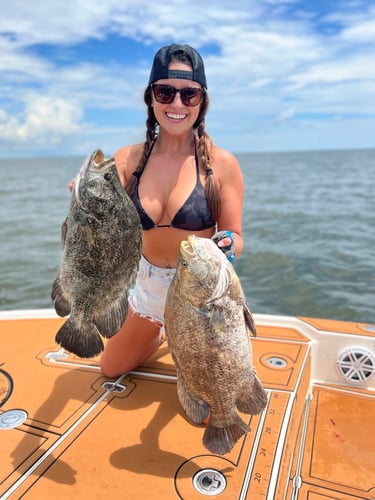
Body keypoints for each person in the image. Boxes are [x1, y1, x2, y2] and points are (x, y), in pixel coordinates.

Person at [98, 43, 244, 378]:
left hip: (202, 296)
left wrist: (227, 246)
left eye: (189, 95)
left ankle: (185, 339)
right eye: (165, 92)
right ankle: (163, 333)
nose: (177, 104)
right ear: (151, 98)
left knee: (208, 409)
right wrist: (83, 190)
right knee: (110, 369)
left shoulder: (222, 164)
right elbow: (99, 217)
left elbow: (236, 234)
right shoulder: (127, 160)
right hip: (148, 287)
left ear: (202, 101)